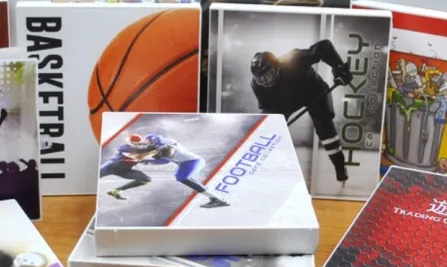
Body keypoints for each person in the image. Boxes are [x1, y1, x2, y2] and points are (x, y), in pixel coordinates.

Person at [249, 39, 353, 182]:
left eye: (268, 76)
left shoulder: (293, 59)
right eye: (261, 79)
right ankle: (266, 166)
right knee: (267, 129)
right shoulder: (256, 85)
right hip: (286, 101)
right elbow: (267, 108)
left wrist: (338, 67)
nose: (265, 82)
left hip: (314, 92)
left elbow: (324, 46)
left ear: (277, 66)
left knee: (325, 129)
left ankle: (340, 166)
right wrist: (273, 125)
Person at [99, 133, 229, 208]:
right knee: (181, 177)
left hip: (191, 161)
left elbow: (166, 157)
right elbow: (142, 156)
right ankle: (215, 198)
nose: (143, 146)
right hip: (113, 167)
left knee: (181, 178)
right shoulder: (128, 148)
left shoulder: (163, 144)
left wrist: (150, 156)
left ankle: (217, 199)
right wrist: (149, 156)